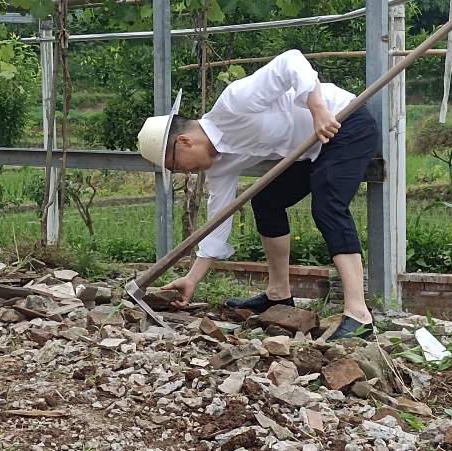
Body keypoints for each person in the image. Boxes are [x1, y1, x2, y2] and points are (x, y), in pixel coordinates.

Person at [137, 50, 379, 341]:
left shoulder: (233, 103)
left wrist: (317, 110)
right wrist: (192, 278)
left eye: (176, 166)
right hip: (313, 148)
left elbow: (291, 61)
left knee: (328, 205)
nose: (184, 173)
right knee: (267, 201)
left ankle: (359, 314)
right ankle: (278, 294)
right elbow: (218, 220)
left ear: (185, 142)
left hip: (344, 122)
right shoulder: (220, 166)